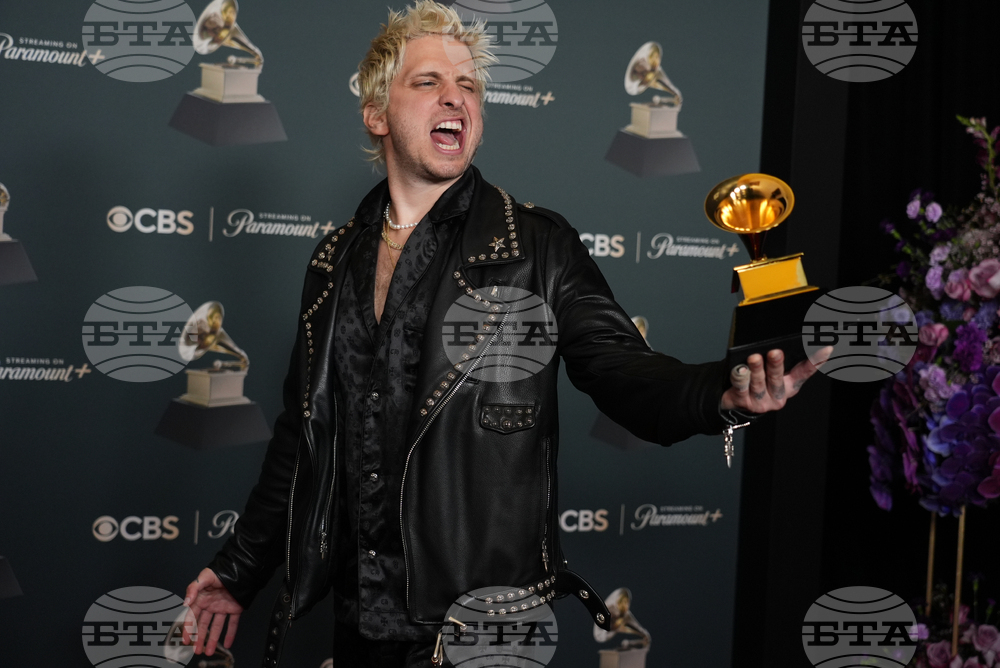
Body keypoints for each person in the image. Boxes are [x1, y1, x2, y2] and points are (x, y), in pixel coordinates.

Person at [180, 3, 829, 666]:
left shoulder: (538, 249)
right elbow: (304, 435)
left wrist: (723, 393)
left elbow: (626, 374)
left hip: (480, 626)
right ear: (377, 114)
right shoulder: (333, 260)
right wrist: (239, 570)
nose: (456, 97)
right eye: (428, 81)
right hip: (359, 619)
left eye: (470, 86)